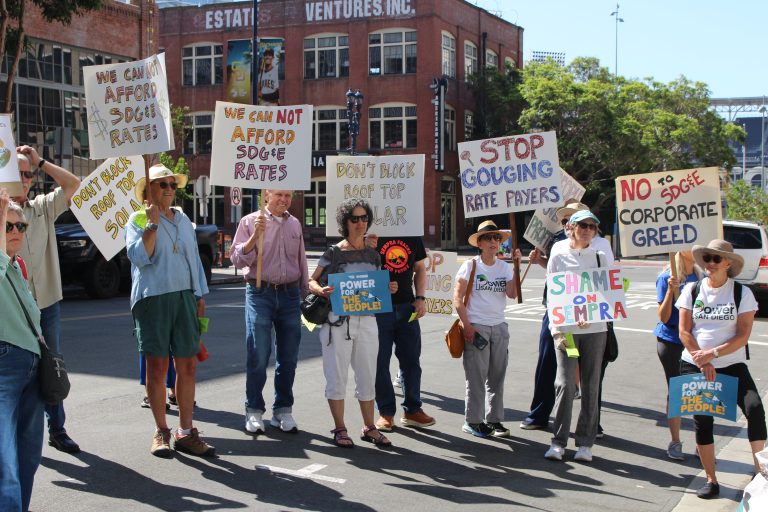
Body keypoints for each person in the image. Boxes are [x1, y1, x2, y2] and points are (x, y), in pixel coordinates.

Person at [126, 164, 213, 458]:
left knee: (188, 365)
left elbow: (194, 260)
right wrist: (150, 225)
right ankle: (161, 429)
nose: (168, 189)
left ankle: (186, 431)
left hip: (185, 298)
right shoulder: (137, 218)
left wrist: (199, 294)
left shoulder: (183, 219)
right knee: (157, 367)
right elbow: (140, 258)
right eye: (162, 184)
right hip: (153, 299)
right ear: (148, 190)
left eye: (172, 184)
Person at [677, 239, 766, 499]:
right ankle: (711, 479)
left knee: (755, 409)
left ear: (728, 263)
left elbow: (743, 335)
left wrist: (713, 355)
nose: (710, 264)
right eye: (707, 258)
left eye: (716, 259)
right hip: (694, 363)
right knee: (703, 421)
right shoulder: (692, 290)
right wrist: (701, 359)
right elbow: (684, 331)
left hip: (731, 363)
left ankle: (760, 472)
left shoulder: (742, 293)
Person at [308, 199, 396, 448]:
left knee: (368, 376)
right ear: (345, 222)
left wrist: (389, 288)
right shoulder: (334, 252)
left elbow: (376, 288)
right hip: (338, 322)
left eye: (364, 218)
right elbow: (310, 281)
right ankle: (340, 428)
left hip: (367, 321)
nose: (360, 223)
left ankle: (369, 427)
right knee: (336, 376)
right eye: (355, 219)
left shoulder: (373, 255)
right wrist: (321, 290)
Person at [520, 200, 614, 431]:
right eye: (565, 220)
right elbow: (555, 276)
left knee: (591, 374)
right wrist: (538, 260)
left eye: (585, 223)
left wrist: (592, 310)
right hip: (560, 316)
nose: (572, 225)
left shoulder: (601, 245)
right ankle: (540, 415)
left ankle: (593, 424)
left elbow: (607, 281)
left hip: (591, 319)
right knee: (551, 364)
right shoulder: (558, 245)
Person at [14, 146, 81, 454]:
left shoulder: (41, 207)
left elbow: (73, 186)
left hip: (47, 304)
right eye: (20, 174)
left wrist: (41, 161)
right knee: (19, 370)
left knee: (51, 366)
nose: (26, 179)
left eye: (30, 174)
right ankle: (18, 432)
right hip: (13, 311)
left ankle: (57, 429)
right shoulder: (2, 213)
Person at [230, 189, 308, 435]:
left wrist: (305, 293)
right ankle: (254, 410)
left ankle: (283, 410)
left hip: (290, 294)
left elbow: (301, 260)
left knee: (289, 357)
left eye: (288, 195)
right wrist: (254, 237)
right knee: (258, 354)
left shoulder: (294, 223)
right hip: (260, 292)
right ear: (266, 194)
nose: (284, 200)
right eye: (279, 195)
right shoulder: (249, 221)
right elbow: (236, 259)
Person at [544, 209, 608, 462]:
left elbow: (609, 290)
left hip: (595, 330)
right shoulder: (558, 252)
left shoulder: (601, 254)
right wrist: (557, 326)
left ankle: (585, 443)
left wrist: (591, 310)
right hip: (567, 332)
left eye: (592, 226)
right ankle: (558, 441)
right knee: (565, 383)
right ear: (570, 227)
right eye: (583, 225)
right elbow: (553, 291)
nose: (587, 230)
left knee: (591, 385)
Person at [0, 191, 46, 511]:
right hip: (4, 366)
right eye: (8, 226)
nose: (16, 232)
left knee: (28, 456)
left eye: (21, 227)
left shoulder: (19, 266)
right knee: (5, 465)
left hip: (33, 365)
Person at [454, 220, 517, 438]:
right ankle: (472, 420)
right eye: (488, 238)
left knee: (497, 376)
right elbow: (457, 299)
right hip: (477, 325)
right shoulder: (470, 266)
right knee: (476, 376)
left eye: (496, 238)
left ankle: (494, 420)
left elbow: (512, 294)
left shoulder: (505, 267)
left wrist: (517, 267)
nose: (493, 242)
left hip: (499, 326)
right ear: (479, 243)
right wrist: (467, 325)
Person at [370, 235, 435, 432]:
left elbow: (420, 268)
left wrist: (421, 298)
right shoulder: (371, 233)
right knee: (380, 362)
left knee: (411, 361)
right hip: (378, 308)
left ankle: (412, 410)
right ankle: (386, 413)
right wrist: (365, 245)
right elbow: (359, 270)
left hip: (407, 307)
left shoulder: (413, 235)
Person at [654, 251, 700, 460]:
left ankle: (703, 442)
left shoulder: (703, 278)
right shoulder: (667, 277)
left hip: (697, 342)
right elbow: (663, 317)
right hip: (671, 341)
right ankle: (675, 441)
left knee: (700, 391)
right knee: (678, 391)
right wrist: (670, 291)